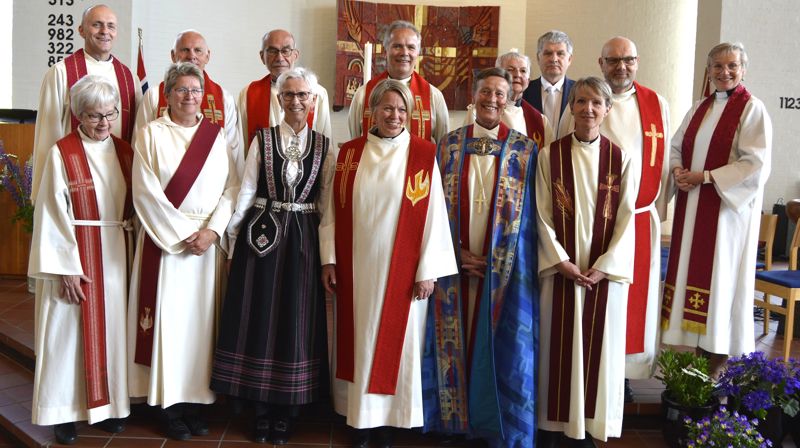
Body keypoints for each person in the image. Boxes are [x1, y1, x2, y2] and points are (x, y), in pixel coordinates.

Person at [320, 79, 457, 447]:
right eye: (387, 108)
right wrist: (329, 259)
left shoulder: (423, 156)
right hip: (356, 267)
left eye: (401, 110)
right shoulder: (348, 153)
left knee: (399, 346)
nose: (394, 116)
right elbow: (331, 210)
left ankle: (391, 423)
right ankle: (361, 420)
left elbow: (434, 216)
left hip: (405, 272)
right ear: (372, 112)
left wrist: (428, 270)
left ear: (410, 115)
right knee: (360, 340)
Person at [211, 67, 332, 445]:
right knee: (258, 319)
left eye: (302, 95)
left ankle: (288, 411)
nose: (295, 101)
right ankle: (260, 410)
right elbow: (246, 191)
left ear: (313, 101)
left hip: (303, 243)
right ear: (279, 100)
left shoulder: (327, 146)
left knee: (295, 322)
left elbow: (327, 206)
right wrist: (231, 240)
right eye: (289, 95)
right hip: (261, 240)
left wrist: (328, 255)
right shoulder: (261, 140)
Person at [423, 67, 539, 447]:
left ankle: (494, 424)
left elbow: (531, 220)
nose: (492, 99)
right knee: (453, 337)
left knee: (499, 343)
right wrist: (453, 253)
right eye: (485, 92)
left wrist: (500, 258)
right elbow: (432, 209)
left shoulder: (525, 150)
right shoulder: (449, 145)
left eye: (499, 93)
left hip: (503, 270)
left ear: (510, 99)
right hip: (454, 263)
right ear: (473, 96)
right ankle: (452, 423)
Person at [127, 62, 239, 441]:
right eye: (181, 90)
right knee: (169, 326)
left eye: (195, 90)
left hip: (206, 247)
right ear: (167, 94)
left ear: (203, 96)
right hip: (166, 245)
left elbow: (232, 189)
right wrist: (181, 235)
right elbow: (144, 191)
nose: (189, 97)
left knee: (200, 327)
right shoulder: (151, 134)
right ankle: (169, 407)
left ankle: (195, 403)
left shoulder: (216, 136)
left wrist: (212, 232)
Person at [29, 75, 134, 445]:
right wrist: (67, 268)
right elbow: (52, 213)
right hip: (76, 252)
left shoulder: (125, 151)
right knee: (67, 334)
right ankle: (64, 413)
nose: (104, 123)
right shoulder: (63, 152)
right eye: (94, 116)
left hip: (117, 252)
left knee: (112, 332)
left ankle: (107, 408)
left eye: (110, 114)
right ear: (77, 116)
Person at [661, 42, 772, 376]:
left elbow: (756, 164)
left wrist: (706, 177)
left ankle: (715, 371)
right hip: (692, 210)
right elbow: (676, 146)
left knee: (720, 285)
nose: (725, 72)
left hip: (725, 218)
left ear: (743, 70)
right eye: (718, 67)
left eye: (732, 66)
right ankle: (695, 367)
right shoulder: (699, 108)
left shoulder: (752, 109)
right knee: (695, 286)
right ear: (708, 71)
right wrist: (679, 170)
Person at [536, 77, 635, 448]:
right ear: (571, 108)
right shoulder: (550, 155)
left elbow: (627, 219)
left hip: (601, 278)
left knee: (597, 353)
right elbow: (542, 214)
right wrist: (560, 261)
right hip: (561, 274)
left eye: (596, 103)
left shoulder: (621, 158)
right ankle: (552, 428)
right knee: (556, 350)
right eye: (580, 102)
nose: (588, 109)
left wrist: (605, 265)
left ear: (608, 109)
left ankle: (587, 428)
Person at [596, 37, 671, 388]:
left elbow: (666, 162)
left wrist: (658, 206)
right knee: (602, 294)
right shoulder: (588, 98)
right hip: (598, 221)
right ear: (601, 64)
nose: (620, 67)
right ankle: (597, 366)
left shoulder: (656, 104)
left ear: (637, 62)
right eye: (613, 61)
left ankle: (625, 376)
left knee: (634, 299)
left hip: (640, 218)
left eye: (627, 60)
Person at [32, 3, 140, 202]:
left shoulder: (129, 78)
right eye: (96, 25)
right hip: (74, 177)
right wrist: (43, 192)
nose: (104, 31)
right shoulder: (61, 72)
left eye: (110, 26)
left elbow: (135, 134)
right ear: (81, 30)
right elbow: (48, 133)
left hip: (117, 179)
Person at [134, 29, 243, 176]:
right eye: (185, 50)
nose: (192, 56)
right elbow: (139, 144)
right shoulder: (154, 95)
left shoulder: (224, 98)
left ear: (208, 56)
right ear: (173, 55)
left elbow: (232, 152)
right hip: (165, 181)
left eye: (198, 50)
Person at [347, 20, 449, 143]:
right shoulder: (363, 94)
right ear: (386, 51)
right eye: (397, 46)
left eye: (411, 47)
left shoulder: (434, 96)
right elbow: (356, 140)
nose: (404, 53)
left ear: (418, 53)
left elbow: (442, 146)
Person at [238, 29, 332, 150]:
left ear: (295, 55)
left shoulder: (316, 92)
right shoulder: (248, 94)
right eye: (272, 51)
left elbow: (325, 143)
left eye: (286, 51)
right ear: (262, 56)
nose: (279, 57)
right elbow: (242, 146)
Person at [463, 52, 554, 150]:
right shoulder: (478, 111)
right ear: (498, 76)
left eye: (523, 71)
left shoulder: (540, 121)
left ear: (528, 80)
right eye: (510, 70)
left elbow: (545, 161)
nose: (517, 75)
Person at [522, 30, 574, 138]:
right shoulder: (524, 92)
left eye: (560, 54)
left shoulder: (580, 92)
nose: (554, 59)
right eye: (548, 53)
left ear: (569, 59)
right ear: (538, 58)